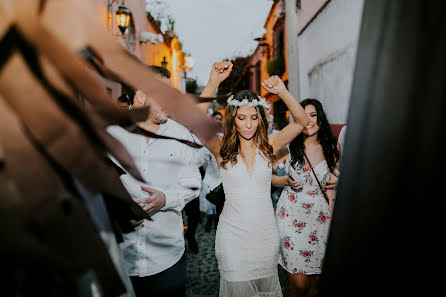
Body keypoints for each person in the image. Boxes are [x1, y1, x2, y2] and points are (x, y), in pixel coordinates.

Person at [198, 61, 311, 297]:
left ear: (260, 118)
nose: (248, 124)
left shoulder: (271, 145)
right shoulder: (221, 148)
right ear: (233, 118)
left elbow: (301, 121)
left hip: (265, 235)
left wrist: (282, 91)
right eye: (241, 118)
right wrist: (213, 82)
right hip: (232, 237)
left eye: (253, 117)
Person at [107, 65, 201, 297]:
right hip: (121, 257)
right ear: (140, 95)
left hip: (166, 258)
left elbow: (193, 185)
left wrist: (165, 199)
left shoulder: (182, 136)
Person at [272, 98, 340, 297]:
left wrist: (338, 182)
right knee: (299, 284)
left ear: (320, 119)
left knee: (317, 283)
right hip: (291, 217)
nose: (309, 121)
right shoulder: (288, 148)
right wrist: (285, 179)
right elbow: (267, 177)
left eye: (313, 115)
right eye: (304, 116)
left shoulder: (332, 150)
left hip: (321, 220)